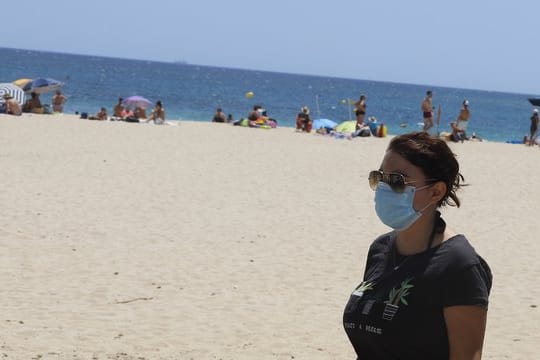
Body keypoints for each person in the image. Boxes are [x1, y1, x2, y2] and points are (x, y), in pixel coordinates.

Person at [343, 132, 492, 359]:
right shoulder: (380, 249)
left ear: (436, 192)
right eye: (379, 177)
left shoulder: (459, 266)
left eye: (397, 181)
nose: (384, 187)